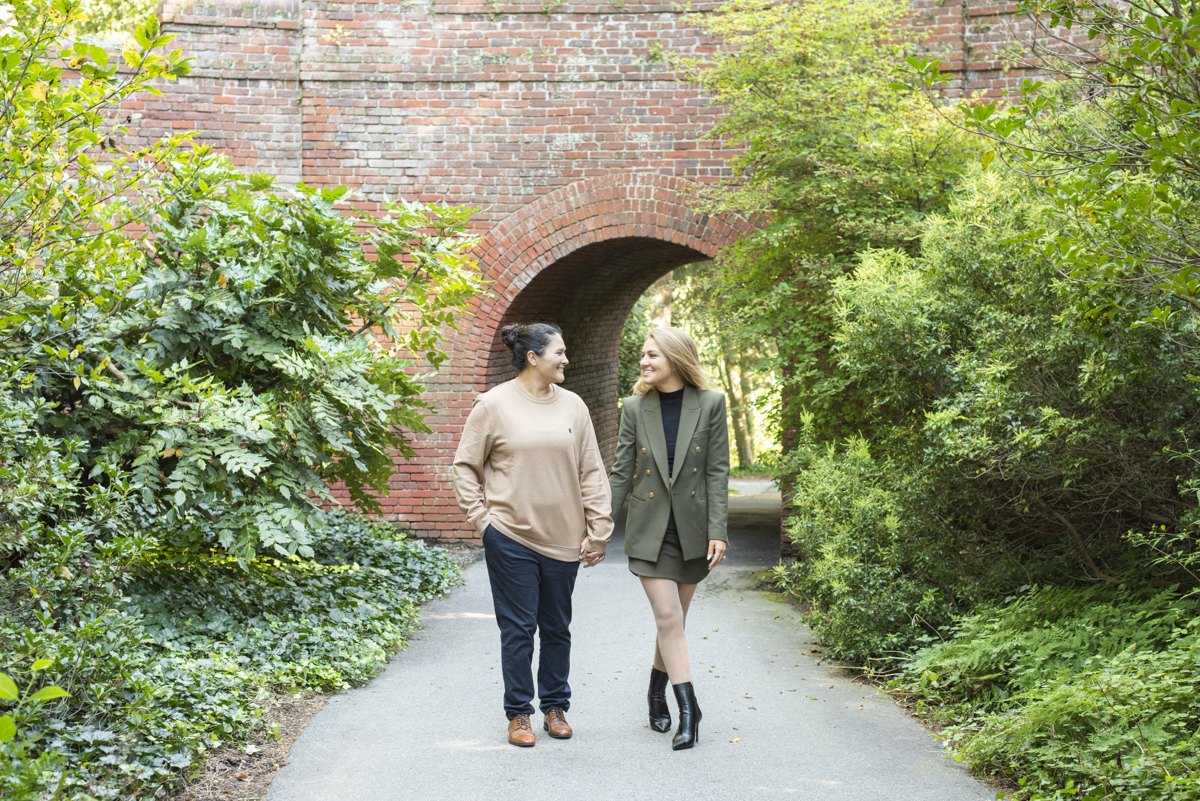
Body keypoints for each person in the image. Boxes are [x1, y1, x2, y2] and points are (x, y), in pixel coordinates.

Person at [452, 322, 612, 748]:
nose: (566, 359)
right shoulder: (493, 405)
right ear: (533, 357)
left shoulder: (574, 406)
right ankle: (519, 713)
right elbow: (466, 466)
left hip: (563, 538)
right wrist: (483, 521)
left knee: (557, 626)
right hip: (510, 536)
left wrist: (599, 528)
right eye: (559, 352)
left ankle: (555, 707)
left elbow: (591, 469)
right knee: (518, 629)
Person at [608, 326, 729, 751]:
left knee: (675, 622)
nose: (643, 362)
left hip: (693, 531)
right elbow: (622, 471)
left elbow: (716, 472)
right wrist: (601, 526)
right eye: (643, 354)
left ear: (675, 359)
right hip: (650, 530)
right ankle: (690, 711)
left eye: (652, 355)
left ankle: (655, 691)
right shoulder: (635, 407)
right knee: (669, 619)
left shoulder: (712, 404)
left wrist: (719, 531)